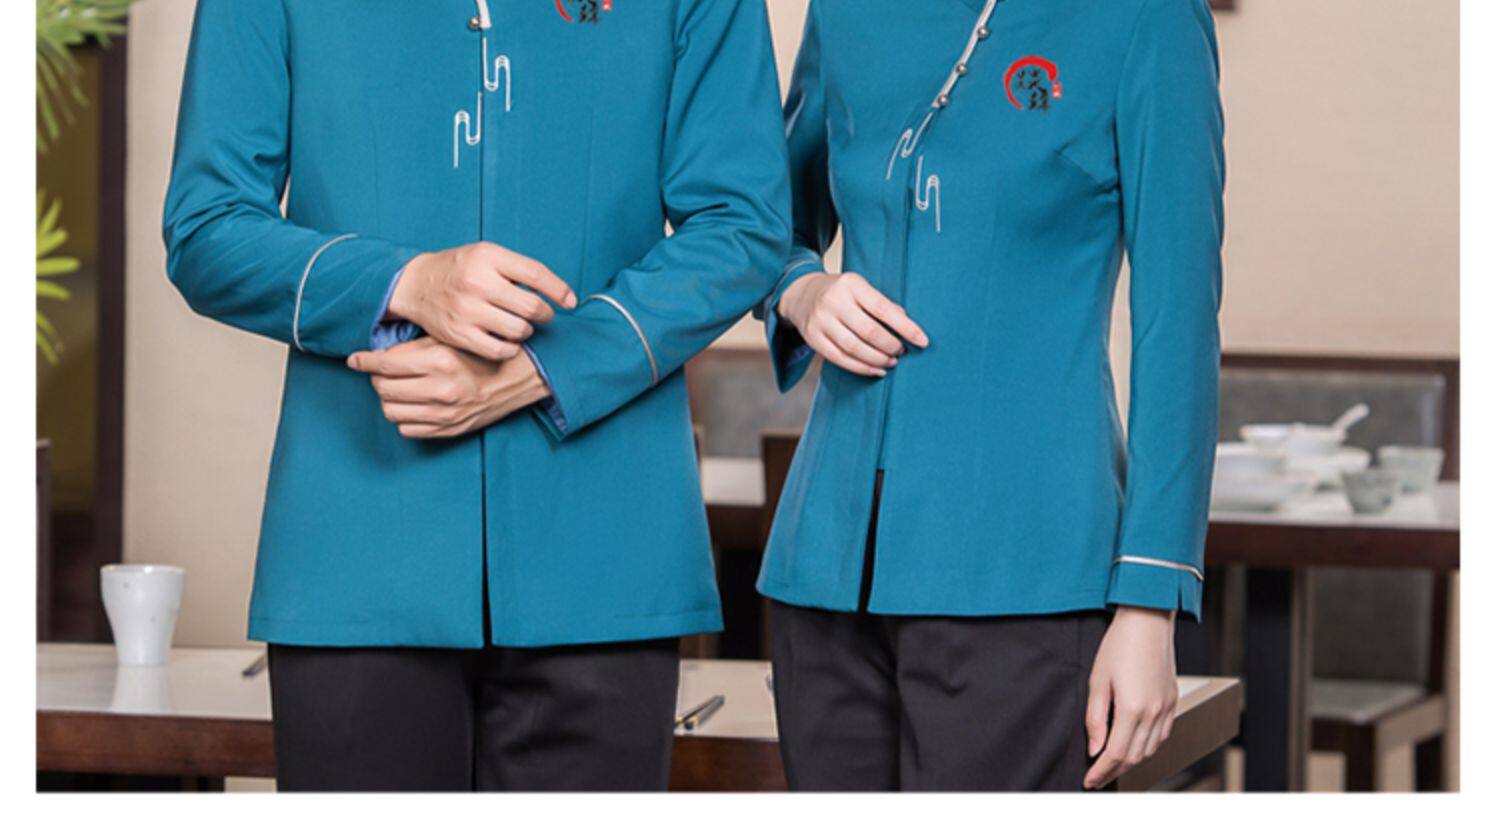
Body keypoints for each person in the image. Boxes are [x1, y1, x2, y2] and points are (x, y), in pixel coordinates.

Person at [162, 0, 789, 791]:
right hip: (356, 552)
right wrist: (407, 282)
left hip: (607, 555)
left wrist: (545, 367)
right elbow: (207, 224)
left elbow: (743, 223)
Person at [756, 0, 1224, 791]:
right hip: (825, 572)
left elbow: (1178, 323)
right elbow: (766, 223)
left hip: (1027, 578)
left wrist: (1151, 602)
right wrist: (801, 291)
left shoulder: (1148, 18)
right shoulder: (845, 11)